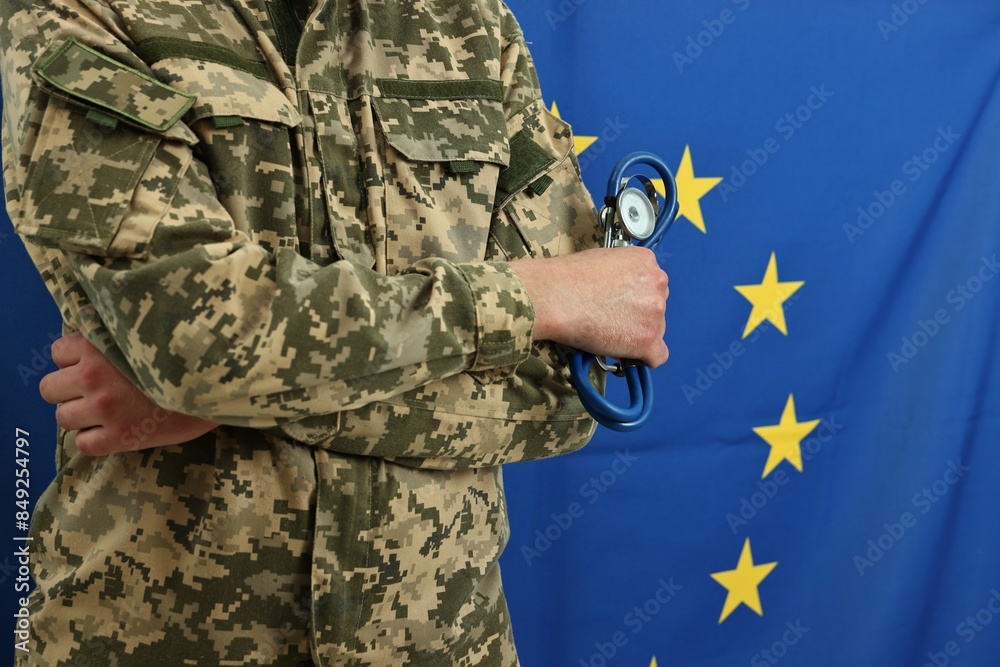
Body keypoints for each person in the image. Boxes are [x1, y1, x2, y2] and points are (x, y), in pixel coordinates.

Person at [1, 0, 668, 664]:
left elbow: (572, 386)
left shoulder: (470, 21)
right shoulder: (82, 12)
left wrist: (238, 401)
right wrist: (534, 297)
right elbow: (203, 344)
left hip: (444, 644)